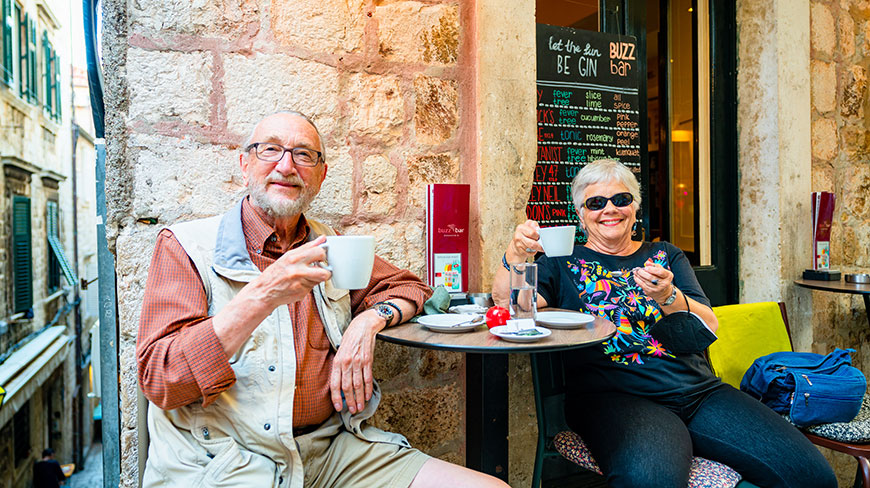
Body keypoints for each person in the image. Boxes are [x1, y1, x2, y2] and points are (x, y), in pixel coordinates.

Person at [137, 111, 507, 488]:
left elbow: (413, 289)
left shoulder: (328, 243)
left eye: (303, 154)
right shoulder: (187, 246)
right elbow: (161, 379)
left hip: (329, 453)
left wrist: (367, 323)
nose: (286, 165)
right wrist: (262, 296)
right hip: (227, 460)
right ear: (245, 164)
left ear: (321, 174)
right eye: (271, 150)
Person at [492, 159, 837, 488]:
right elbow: (508, 302)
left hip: (699, 392)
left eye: (620, 199)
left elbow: (708, 325)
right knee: (650, 481)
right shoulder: (561, 261)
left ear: (635, 207)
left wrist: (668, 295)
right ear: (581, 216)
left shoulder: (666, 255)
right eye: (595, 202)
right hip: (616, 398)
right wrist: (516, 253)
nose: (609, 209)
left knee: (812, 476)